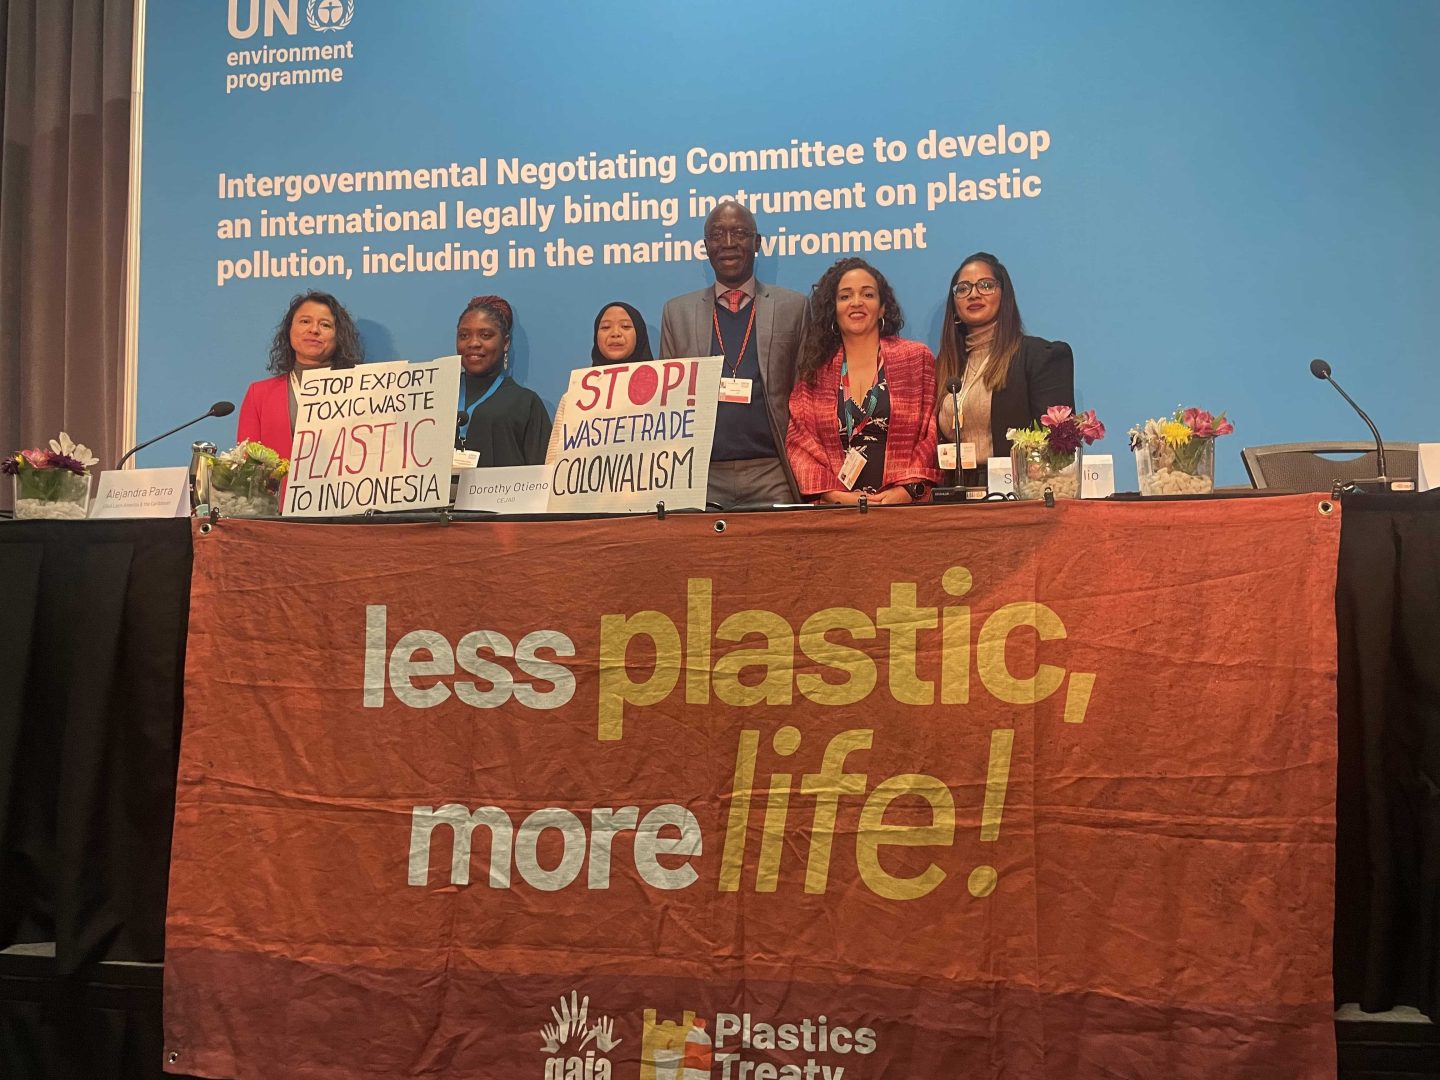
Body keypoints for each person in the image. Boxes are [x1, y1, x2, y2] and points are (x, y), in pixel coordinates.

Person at [659, 201, 806, 507]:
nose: (727, 243)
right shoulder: (677, 313)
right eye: (717, 235)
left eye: (739, 233)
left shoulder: (793, 307)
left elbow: (806, 395)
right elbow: (669, 406)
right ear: (705, 246)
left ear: (757, 243)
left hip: (772, 470)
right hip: (702, 473)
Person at [786, 258, 940, 504]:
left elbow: (930, 433)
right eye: (845, 296)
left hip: (903, 508)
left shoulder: (915, 359)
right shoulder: (816, 370)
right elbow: (799, 443)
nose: (856, 302)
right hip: (836, 512)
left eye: (867, 294)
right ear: (833, 309)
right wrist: (834, 496)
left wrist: (908, 490)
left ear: (882, 308)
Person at [934, 251, 1074, 464]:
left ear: (1004, 296)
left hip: (1013, 483)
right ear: (954, 305)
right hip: (954, 483)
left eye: (986, 285)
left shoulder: (1039, 356)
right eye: (962, 289)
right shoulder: (946, 366)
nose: (973, 294)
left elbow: (1058, 449)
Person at [237, 290, 363, 457]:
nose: (314, 330)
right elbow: (246, 463)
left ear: (338, 336)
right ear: (289, 329)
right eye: (305, 321)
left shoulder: (360, 390)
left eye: (325, 325)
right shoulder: (259, 395)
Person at [453, 295, 552, 467]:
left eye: (485, 335)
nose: (473, 343)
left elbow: (543, 473)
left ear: (505, 343)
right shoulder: (436, 397)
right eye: (464, 335)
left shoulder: (525, 403)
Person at [591, 301, 654, 365]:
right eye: (606, 327)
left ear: (639, 335)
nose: (615, 333)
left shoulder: (659, 371)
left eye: (625, 326)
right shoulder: (585, 372)